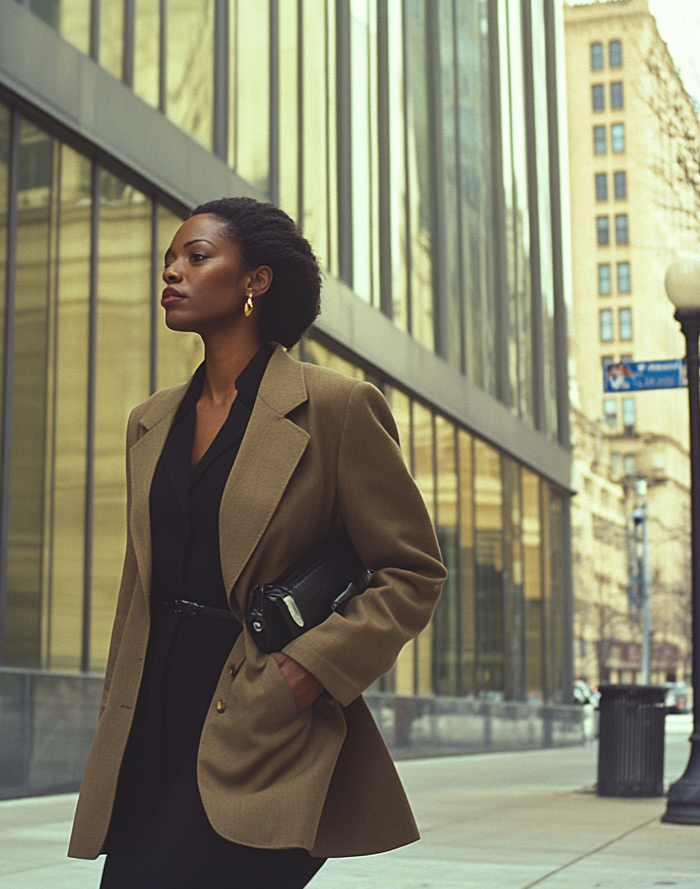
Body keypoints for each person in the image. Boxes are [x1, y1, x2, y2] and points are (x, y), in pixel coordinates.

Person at [68, 197, 446, 889]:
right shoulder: (149, 423)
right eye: (168, 262)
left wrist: (303, 675)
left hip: (258, 712)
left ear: (256, 281)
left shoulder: (336, 408)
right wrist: (113, 712)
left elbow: (411, 570)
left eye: (196, 256)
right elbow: (137, 587)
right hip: (150, 714)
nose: (171, 274)